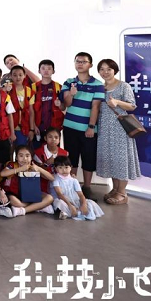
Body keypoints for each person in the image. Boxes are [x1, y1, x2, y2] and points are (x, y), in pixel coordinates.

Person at [96, 58, 141, 205]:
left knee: (121, 160)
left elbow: (132, 106)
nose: (105, 72)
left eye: (108, 69)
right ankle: (115, 189)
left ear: (114, 70)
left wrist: (117, 102)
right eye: (102, 69)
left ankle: (122, 193)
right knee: (112, 159)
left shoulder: (123, 86)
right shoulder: (100, 87)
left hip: (120, 129)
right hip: (105, 129)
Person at [61, 52, 105, 199]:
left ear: (90, 65)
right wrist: (71, 94)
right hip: (70, 127)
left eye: (84, 61)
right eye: (77, 61)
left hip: (88, 129)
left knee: (88, 158)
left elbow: (95, 107)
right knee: (71, 158)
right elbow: (67, 104)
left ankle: (86, 187)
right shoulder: (69, 82)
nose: (80, 64)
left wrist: (91, 127)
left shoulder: (97, 84)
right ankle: (72, 187)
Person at [0, 145, 54, 217]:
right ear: (16, 157)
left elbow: (52, 178)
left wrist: (39, 169)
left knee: (50, 198)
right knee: (15, 202)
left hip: (31, 194)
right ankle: (39, 207)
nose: (24, 158)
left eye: (27, 156)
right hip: (15, 193)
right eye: (21, 156)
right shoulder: (12, 165)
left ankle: (23, 210)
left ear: (31, 157)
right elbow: (2, 173)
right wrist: (20, 169)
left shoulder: (34, 166)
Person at [52, 156, 104, 220]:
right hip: (65, 201)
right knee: (59, 203)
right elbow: (59, 194)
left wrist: (84, 205)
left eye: (66, 167)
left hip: (76, 201)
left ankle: (76, 212)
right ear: (56, 169)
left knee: (90, 203)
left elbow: (80, 194)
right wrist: (70, 206)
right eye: (60, 167)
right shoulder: (56, 179)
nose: (64, 170)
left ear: (70, 168)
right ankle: (76, 212)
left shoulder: (74, 180)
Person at [29, 59, 66, 146]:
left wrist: (60, 104)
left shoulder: (59, 87)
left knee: (53, 152)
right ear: (39, 71)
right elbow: (30, 110)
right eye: (43, 68)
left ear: (53, 71)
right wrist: (33, 126)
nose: (46, 71)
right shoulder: (33, 88)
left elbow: (64, 108)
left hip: (54, 128)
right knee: (37, 152)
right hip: (38, 128)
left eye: (49, 68)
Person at [32, 127, 68, 194]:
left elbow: (67, 169)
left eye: (56, 137)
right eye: (50, 137)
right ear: (45, 138)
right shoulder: (38, 153)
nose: (53, 139)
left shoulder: (65, 153)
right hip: (42, 185)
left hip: (60, 185)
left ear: (60, 139)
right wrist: (47, 163)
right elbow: (36, 171)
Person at [7, 65, 34, 149]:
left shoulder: (29, 91)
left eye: (20, 75)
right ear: (10, 76)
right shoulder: (7, 89)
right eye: (15, 75)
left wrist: (31, 129)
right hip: (8, 127)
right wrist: (5, 91)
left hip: (23, 127)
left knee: (21, 150)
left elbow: (31, 112)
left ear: (24, 76)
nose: (18, 77)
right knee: (9, 152)